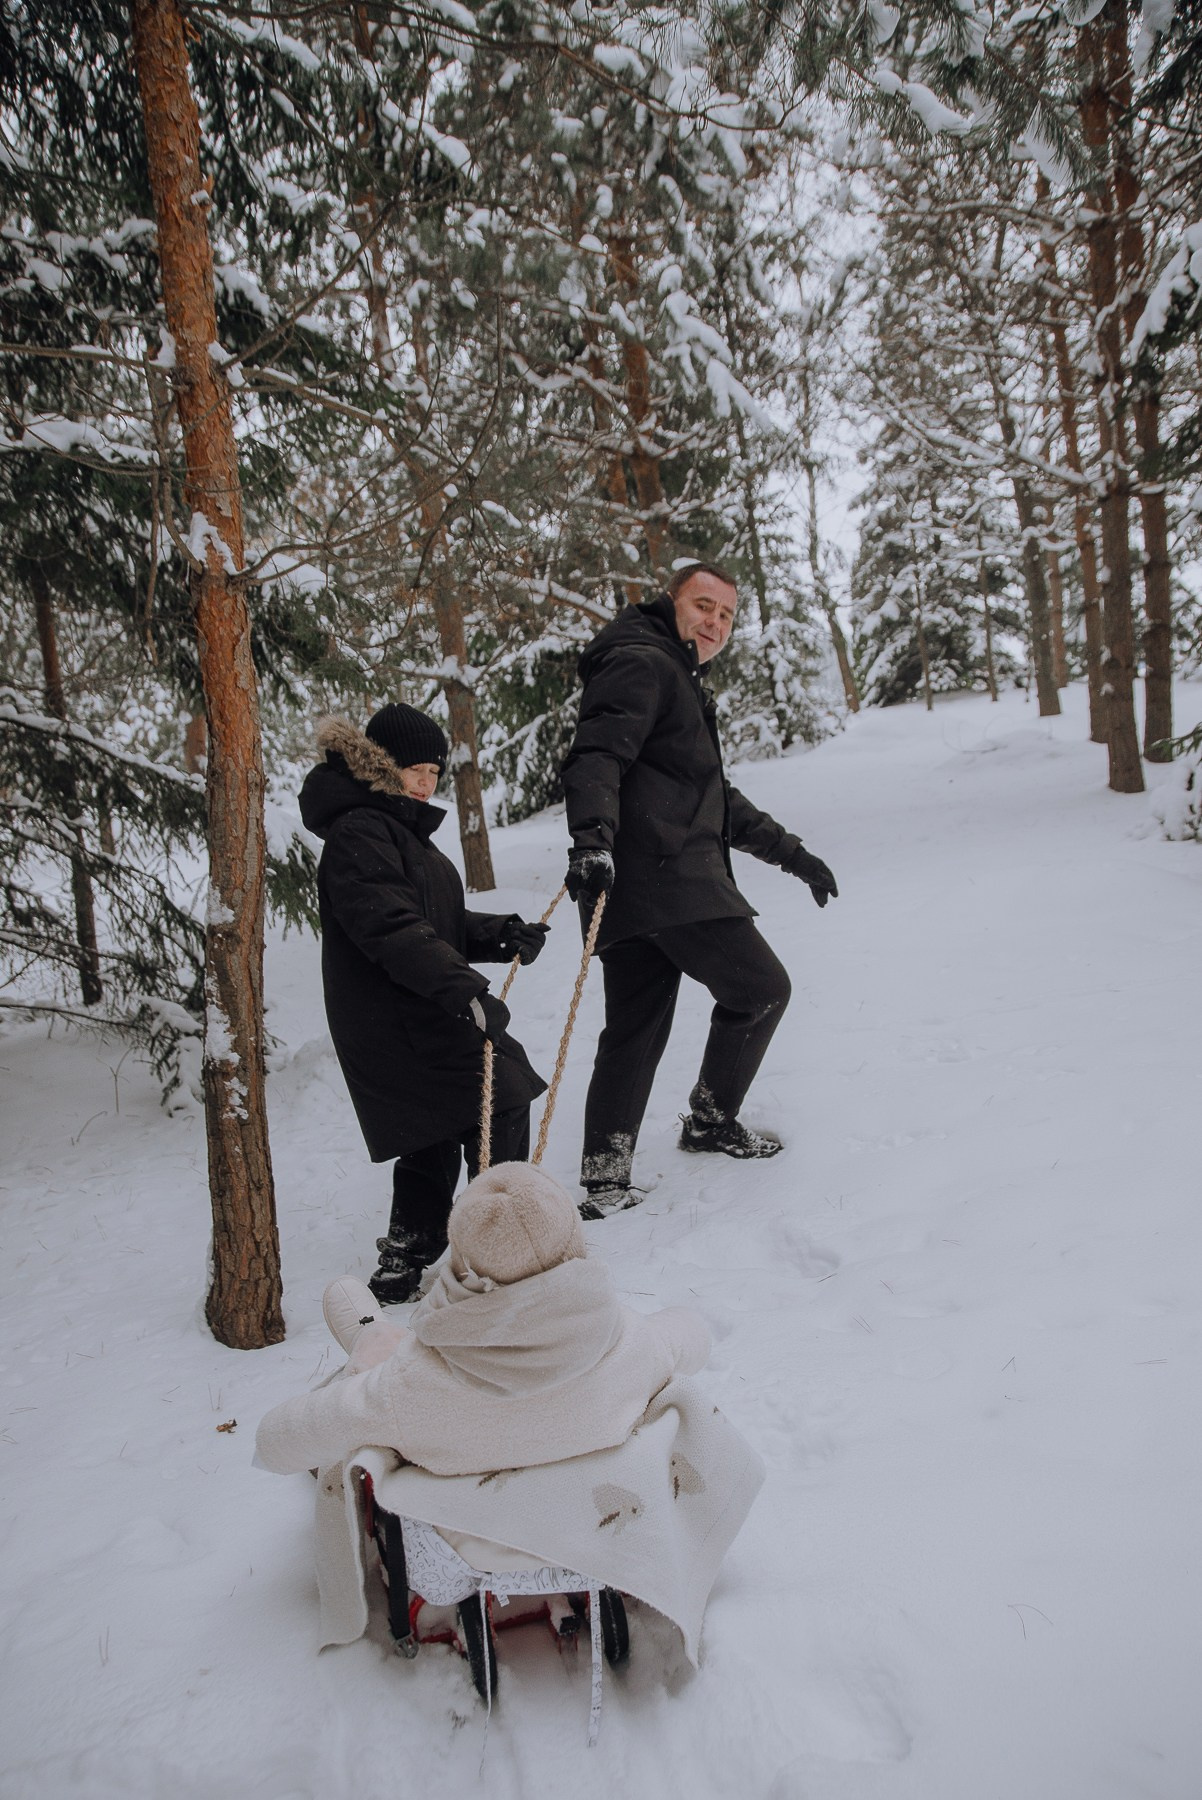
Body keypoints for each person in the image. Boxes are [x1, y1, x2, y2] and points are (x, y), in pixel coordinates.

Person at [254, 1162, 763, 1664]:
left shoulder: (411, 1387)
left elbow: (279, 1439)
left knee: (376, 1344)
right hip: (577, 1477)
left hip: (433, 1431)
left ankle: (366, 1328)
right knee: (387, 1351)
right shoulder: (626, 1344)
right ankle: (370, 1331)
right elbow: (691, 1334)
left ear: (467, 1266)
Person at [560, 561, 838, 1219]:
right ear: (672, 603)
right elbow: (596, 754)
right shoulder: (644, 663)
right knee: (762, 989)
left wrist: (797, 859)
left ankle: (605, 1179)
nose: (715, 622)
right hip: (668, 880)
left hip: (631, 891)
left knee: (634, 1030)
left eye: (727, 615)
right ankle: (711, 1122)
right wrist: (592, 840)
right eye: (703, 605)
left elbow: (718, 803)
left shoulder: (668, 674)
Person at [298, 705, 549, 1303]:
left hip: (418, 1009)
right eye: (413, 768)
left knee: (434, 1130)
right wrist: (466, 989)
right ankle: (500, 1242)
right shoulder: (363, 830)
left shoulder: (400, 834)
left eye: (434, 771)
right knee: (502, 1095)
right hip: (400, 1017)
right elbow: (391, 927)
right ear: (381, 766)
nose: (426, 781)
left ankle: (403, 1262)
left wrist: (498, 933)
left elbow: (436, 921)